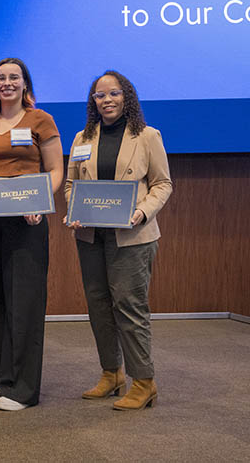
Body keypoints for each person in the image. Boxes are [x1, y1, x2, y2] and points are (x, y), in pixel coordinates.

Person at [65, 70, 172, 410]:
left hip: (133, 236)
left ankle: (144, 381)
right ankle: (111, 374)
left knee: (129, 306)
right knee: (98, 306)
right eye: (100, 95)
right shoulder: (82, 138)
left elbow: (163, 184)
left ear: (126, 97)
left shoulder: (147, 135)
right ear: (92, 102)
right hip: (91, 236)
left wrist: (141, 212)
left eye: (113, 93)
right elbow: (70, 185)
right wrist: (74, 208)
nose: (106, 100)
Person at [0, 57, 64, 411]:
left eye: (14, 77)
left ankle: (24, 389)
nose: (7, 82)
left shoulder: (41, 120)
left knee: (25, 300)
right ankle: (4, 376)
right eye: (1, 77)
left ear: (25, 84)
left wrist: (41, 203)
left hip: (28, 217)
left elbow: (56, 169)